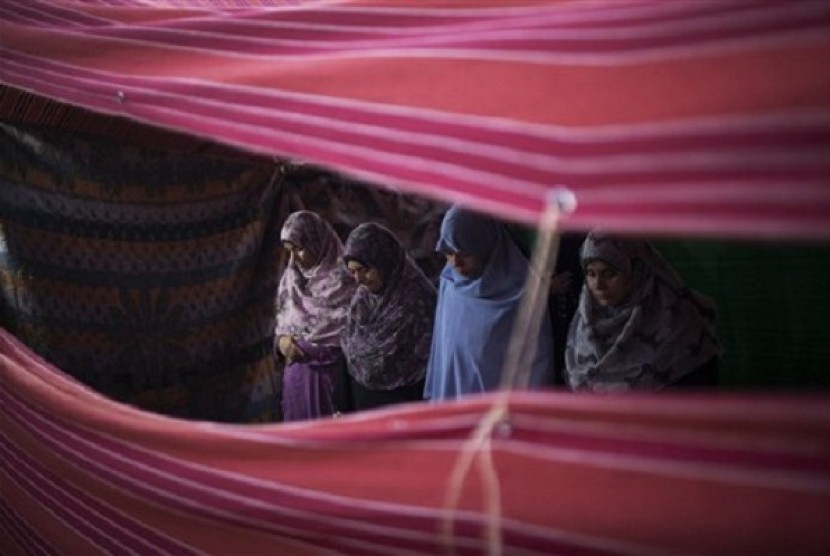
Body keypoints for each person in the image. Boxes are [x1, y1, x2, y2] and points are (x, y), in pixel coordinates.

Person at [424, 205, 554, 401]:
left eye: (465, 253)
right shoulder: (450, 284)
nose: (456, 264)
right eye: (449, 253)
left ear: (485, 244)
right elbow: (442, 351)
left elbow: (534, 364)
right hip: (457, 401)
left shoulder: (520, 293)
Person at [565, 232, 723, 391]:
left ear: (635, 273)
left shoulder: (679, 325)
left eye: (609, 274)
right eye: (591, 274)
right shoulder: (583, 324)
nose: (598, 285)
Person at [339, 222, 437, 412]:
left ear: (385, 262)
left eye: (364, 270)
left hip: (406, 412)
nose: (358, 279)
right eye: (353, 272)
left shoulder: (419, 304)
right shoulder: (360, 302)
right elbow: (347, 360)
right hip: (364, 413)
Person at [274, 211, 356, 421]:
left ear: (317, 241)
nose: (294, 258)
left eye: (299, 249)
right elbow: (281, 326)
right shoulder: (290, 281)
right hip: (298, 381)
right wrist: (282, 343)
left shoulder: (346, 282)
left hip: (336, 382)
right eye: (289, 251)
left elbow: (359, 336)